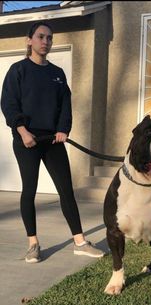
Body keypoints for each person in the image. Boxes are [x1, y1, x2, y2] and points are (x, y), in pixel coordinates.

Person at [0, 21, 104, 263]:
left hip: (53, 140)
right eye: (40, 37)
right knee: (29, 190)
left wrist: (63, 130)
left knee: (66, 190)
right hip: (27, 140)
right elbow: (9, 103)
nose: (45, 42)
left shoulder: (57, 73)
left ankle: (80, 242)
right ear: (30, 40)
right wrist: (22, 131)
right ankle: (33, 244)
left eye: (49, 38)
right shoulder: (18, 70)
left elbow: (65, 105)